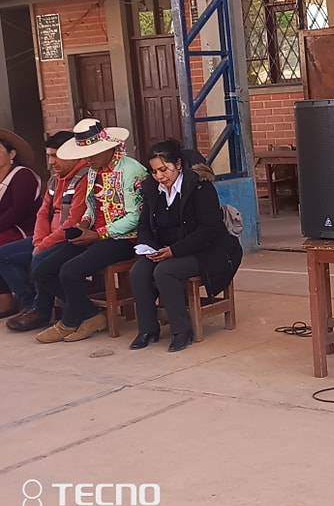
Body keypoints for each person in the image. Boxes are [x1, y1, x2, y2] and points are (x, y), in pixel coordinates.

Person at [34, 119, 147, 343]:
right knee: (42, 270)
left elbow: (135, 216)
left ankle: (71, 320)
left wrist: (98, 234)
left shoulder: (131, 170)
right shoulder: (94, 170)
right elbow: (91, 206)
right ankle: (89, 314)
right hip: (95, 235)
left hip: (124, 239)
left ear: (107, 148)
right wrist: (85, 224)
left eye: (92, 153)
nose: (88, 158)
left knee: (69, 271)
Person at [130, 140, 242, 352]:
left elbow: (209, 230)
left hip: (206, 250)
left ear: (178, 164)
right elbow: (145, 224)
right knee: (138, 271)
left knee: (165, 271)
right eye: (154, 172)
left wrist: (173, 251)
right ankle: (147, 329)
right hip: (167, 249)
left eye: (164, 170)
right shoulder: (153, 189)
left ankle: (182, 331)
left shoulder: (200, 187)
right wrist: (148, 247)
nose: (160, 176)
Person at [1, 131, 88, 332]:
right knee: (4, 256)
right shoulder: (54, 180)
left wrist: (44, 244)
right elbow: (42, 213)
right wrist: (40, 240)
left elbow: (73, 221)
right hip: (46, 237)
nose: (52, 162)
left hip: (69, 238)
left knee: (40, 260)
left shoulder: (83, 178)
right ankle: (29, 303)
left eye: (57, 156)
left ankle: (41, 309)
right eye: (50, 156)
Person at [0, 129, 42, 317]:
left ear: (12, 154)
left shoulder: (23, 176)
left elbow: (18, 211)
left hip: (24, 229)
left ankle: (23, 301)